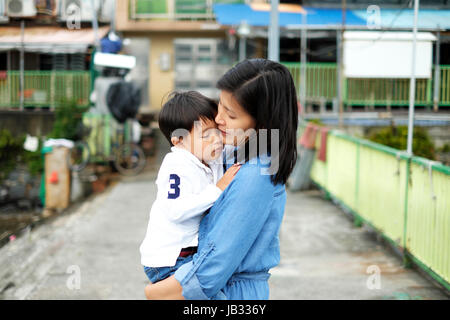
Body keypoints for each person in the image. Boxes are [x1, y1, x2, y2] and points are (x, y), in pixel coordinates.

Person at [145, 59, 298, 300]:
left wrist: (156, 293)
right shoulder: (245, 153)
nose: (218, 119)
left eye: (231, 115)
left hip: (227, 292)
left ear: (261, 123)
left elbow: (216, 262)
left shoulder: (258, 172)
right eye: (220, 107)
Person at [139, 91, 241, 286]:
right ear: (178, 141)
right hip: (169, 259)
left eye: (217, 132)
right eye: (206, 135)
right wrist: (217, 190)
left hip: (191, 252)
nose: (216, 140)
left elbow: (242, 144)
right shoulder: (176, 164)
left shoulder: (210, 156)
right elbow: (175, 210)